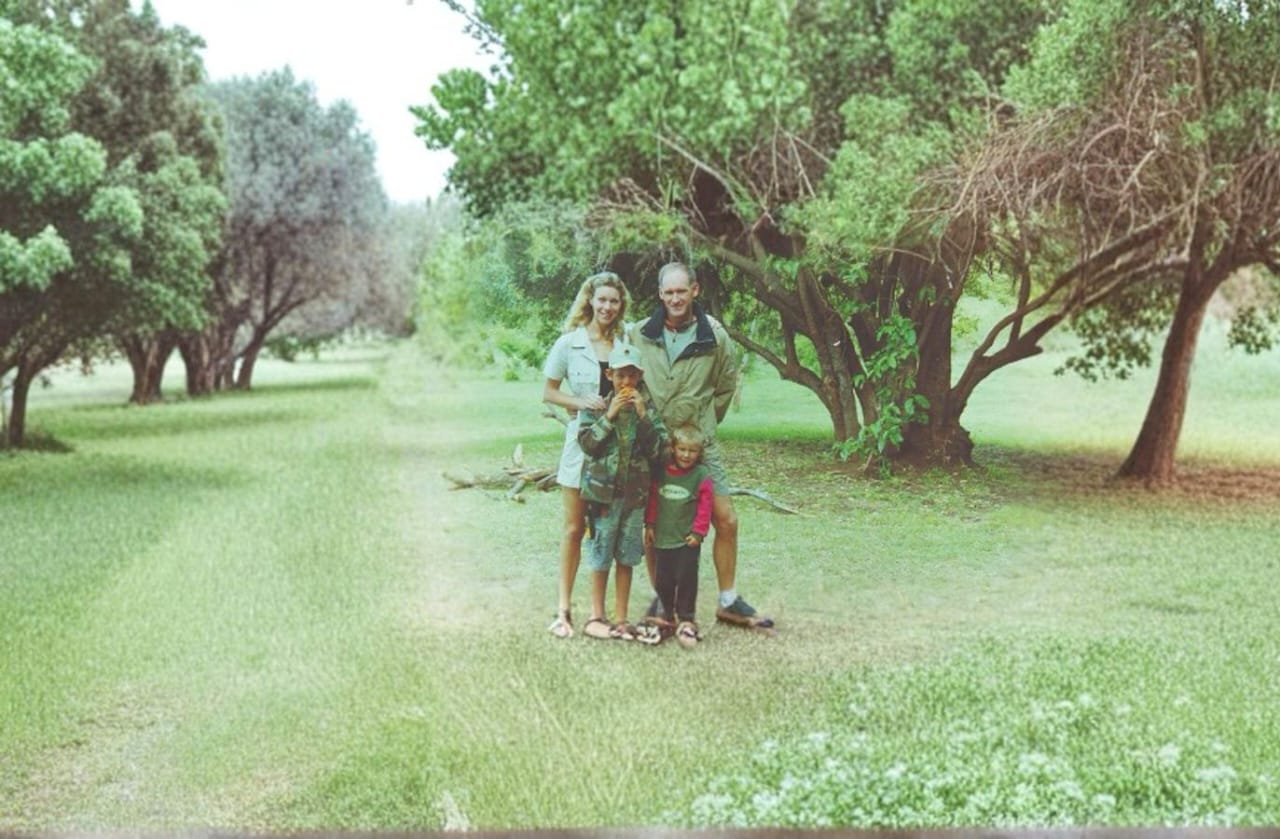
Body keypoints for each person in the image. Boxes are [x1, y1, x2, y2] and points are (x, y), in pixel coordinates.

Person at [633, 261, 774, 630]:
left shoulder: (714, 335)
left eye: (682, 291)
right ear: (660, 294)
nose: (675, 299)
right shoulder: (639, 334)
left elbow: (725, 386)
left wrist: (702, 426)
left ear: (695, 290)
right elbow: (631, 383)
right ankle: (663, 602)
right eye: (668, 292)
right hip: (656, 444)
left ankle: (728, 601)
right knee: (655, 524)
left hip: (699, 443)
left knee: (726, 519)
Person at [541, 271, 631, 638]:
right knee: (575, 528)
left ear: (621, 305)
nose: (607, 307)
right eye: (602, 300)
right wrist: (580, 402)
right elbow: (549, 392)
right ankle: (563, 611)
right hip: (580, 447)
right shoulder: (569, 343)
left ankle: (601, 614)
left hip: (616, 450)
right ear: (590, 301)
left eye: (614, 301)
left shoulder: (626, 341)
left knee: (606, 530)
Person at [576, 343, 668, 640]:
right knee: (601, 554)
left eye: (631, 376)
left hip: (635, 497)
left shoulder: (648, 410)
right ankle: (596, 615)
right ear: (609, 375)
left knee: (627, 557)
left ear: (639, 377)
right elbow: (587, 445)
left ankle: (622, 617)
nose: (626, 382)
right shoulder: (596, 408)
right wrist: (609, 416)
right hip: (602, 497)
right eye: (620, 376)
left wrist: (643, 417)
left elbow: (661, 453)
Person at [644, 424, 714, 648]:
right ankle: (665, 616)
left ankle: (686, 618)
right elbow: (653, 500)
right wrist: (650, 525)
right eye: (682, 449)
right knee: (663, 579)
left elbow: (705, 507)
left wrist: (698, 533)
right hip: (663, 538)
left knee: (686, 580)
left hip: (687, 541)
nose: (686, 455)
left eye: (692, 451)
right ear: (673, 448)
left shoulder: (701, 475)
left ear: (699, 452)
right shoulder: (662, 473)